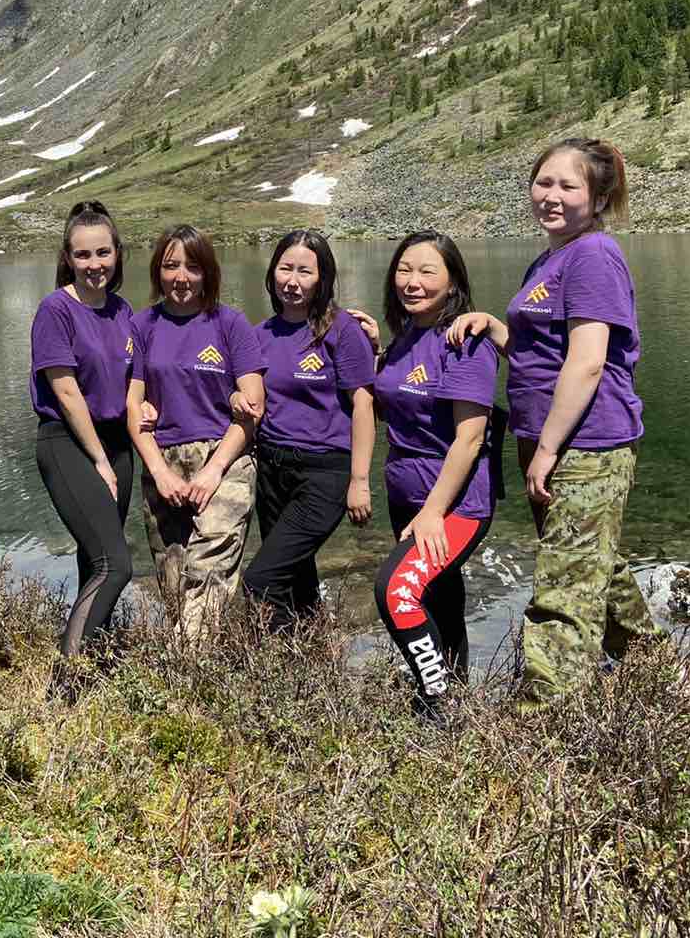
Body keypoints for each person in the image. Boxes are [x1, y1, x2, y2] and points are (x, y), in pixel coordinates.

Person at [447, 136, 659, 706]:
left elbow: (587, 362)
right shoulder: (551, 258)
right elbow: (542, 351)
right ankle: (657, 676)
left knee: (563, 592)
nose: (552, 196)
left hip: (586, 445)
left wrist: (547, 451)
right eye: (544, 182)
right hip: (549, 439)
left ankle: (541, 726)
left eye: (569, 186)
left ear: (598, 197)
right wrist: (495, 327)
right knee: (596, 567)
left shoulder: (593, 256)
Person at [353, 231, 499, 714]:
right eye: (404, 270)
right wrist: (377, 350)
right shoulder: (406, 338)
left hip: (454, 505)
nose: (412, 282)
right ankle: (459, 698)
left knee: (396, 591)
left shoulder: (465, 342)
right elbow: (394, 400)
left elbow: (470, 438)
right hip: (405, 496)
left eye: (427, 271)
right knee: (440, 599)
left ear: (453, 279)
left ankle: (434, 702)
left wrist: (435, 512)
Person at [126, 225, 266, 641]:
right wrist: (160, 471)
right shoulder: (143, 325)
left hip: (224, 460)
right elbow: (133, 404)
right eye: (170, 266)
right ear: (158, 271)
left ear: (208, 272)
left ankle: (185, 677)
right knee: (173, 580)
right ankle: (200, 679)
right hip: (163, 460)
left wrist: (213, 470)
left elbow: (253, 405)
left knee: (208, 570)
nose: (181, 277)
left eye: (192, 266)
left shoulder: (230, 324)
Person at [234, 230, 376, 630]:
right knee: (297, 575)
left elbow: (364, 404)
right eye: (285, 269)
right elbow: (246, 394)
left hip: (324, 472)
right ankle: (315, 665)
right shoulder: (259, 334)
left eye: (304, 272)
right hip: (272, 470)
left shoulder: (342, 329)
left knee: (262, 578)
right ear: (272, 272)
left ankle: (279, 667)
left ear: (322, 278)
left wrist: (360, 480)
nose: (292, 282)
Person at [30, 202, 135, 670]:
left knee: (94, 561)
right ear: (68, 259)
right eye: (83, 255)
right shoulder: (56, 310)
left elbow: (134, 377)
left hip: (118, 443)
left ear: (117, 254)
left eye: (103, 253)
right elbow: (67, 392)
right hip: (69, 442)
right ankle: (66, 681)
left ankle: (97, 662)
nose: (95, 265)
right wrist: (99, 460)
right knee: (117, 565)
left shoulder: (122, 310)